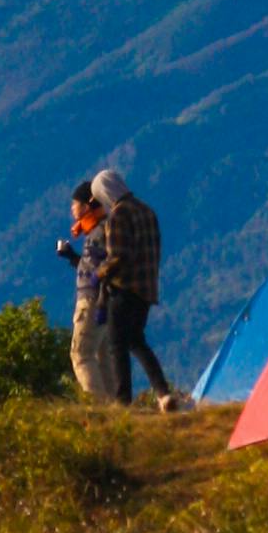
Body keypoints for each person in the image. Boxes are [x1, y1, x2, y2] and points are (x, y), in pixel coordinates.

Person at [91, 167, 183, 404]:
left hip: (124, 288)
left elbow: (119, 255)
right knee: (136, 341)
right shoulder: (147, 211)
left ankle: (123, 401)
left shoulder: (119, 215)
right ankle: (163, 393)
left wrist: (99, 273)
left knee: (116, 344)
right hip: (147, 288)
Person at [54, 178, 120, 401]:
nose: (72, 208)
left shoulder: (99, 232)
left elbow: (103, 270)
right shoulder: (101, 230)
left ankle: (100, 409)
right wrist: (73, 257)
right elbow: (94, 267)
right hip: (106, 301)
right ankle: (117, 410)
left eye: (75, 203)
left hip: (92, 301)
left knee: (81, 354)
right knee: (103, 357)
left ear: (86, 205)